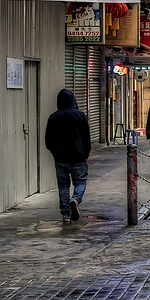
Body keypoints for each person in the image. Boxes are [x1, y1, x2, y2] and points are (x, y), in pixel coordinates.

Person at [45, 88, 93, 221]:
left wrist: (53, 151)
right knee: (80, 181)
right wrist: (86, 152)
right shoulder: (80, 116)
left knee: (63, 185)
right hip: (78, 157)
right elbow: (86, 137)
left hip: (60, 158)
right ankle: (75, 199)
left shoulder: (53, 117)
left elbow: (48, 139)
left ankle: (65, 214)